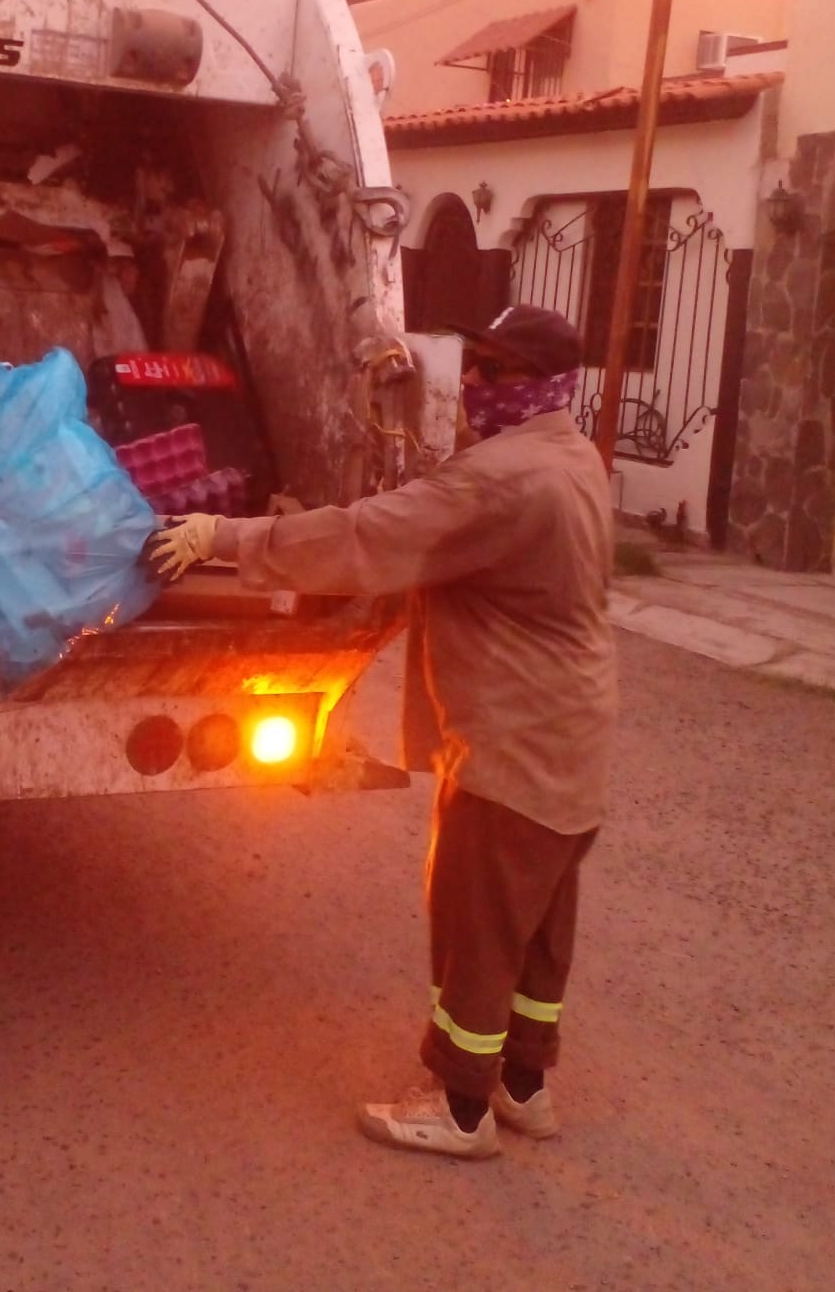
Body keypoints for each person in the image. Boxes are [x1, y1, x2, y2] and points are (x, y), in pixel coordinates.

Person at [150, 304, 616, 1160]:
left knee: (476, 925)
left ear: (538, 384)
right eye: (472, 363)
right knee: (539, 927)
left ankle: (460, 1107)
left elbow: (367, 537)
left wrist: (226, 535)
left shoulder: (499, 479)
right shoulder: (571, 455)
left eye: (495, 371)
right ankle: (524, 1083)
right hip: (573, 737)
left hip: (513, 744)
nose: (473, 384)